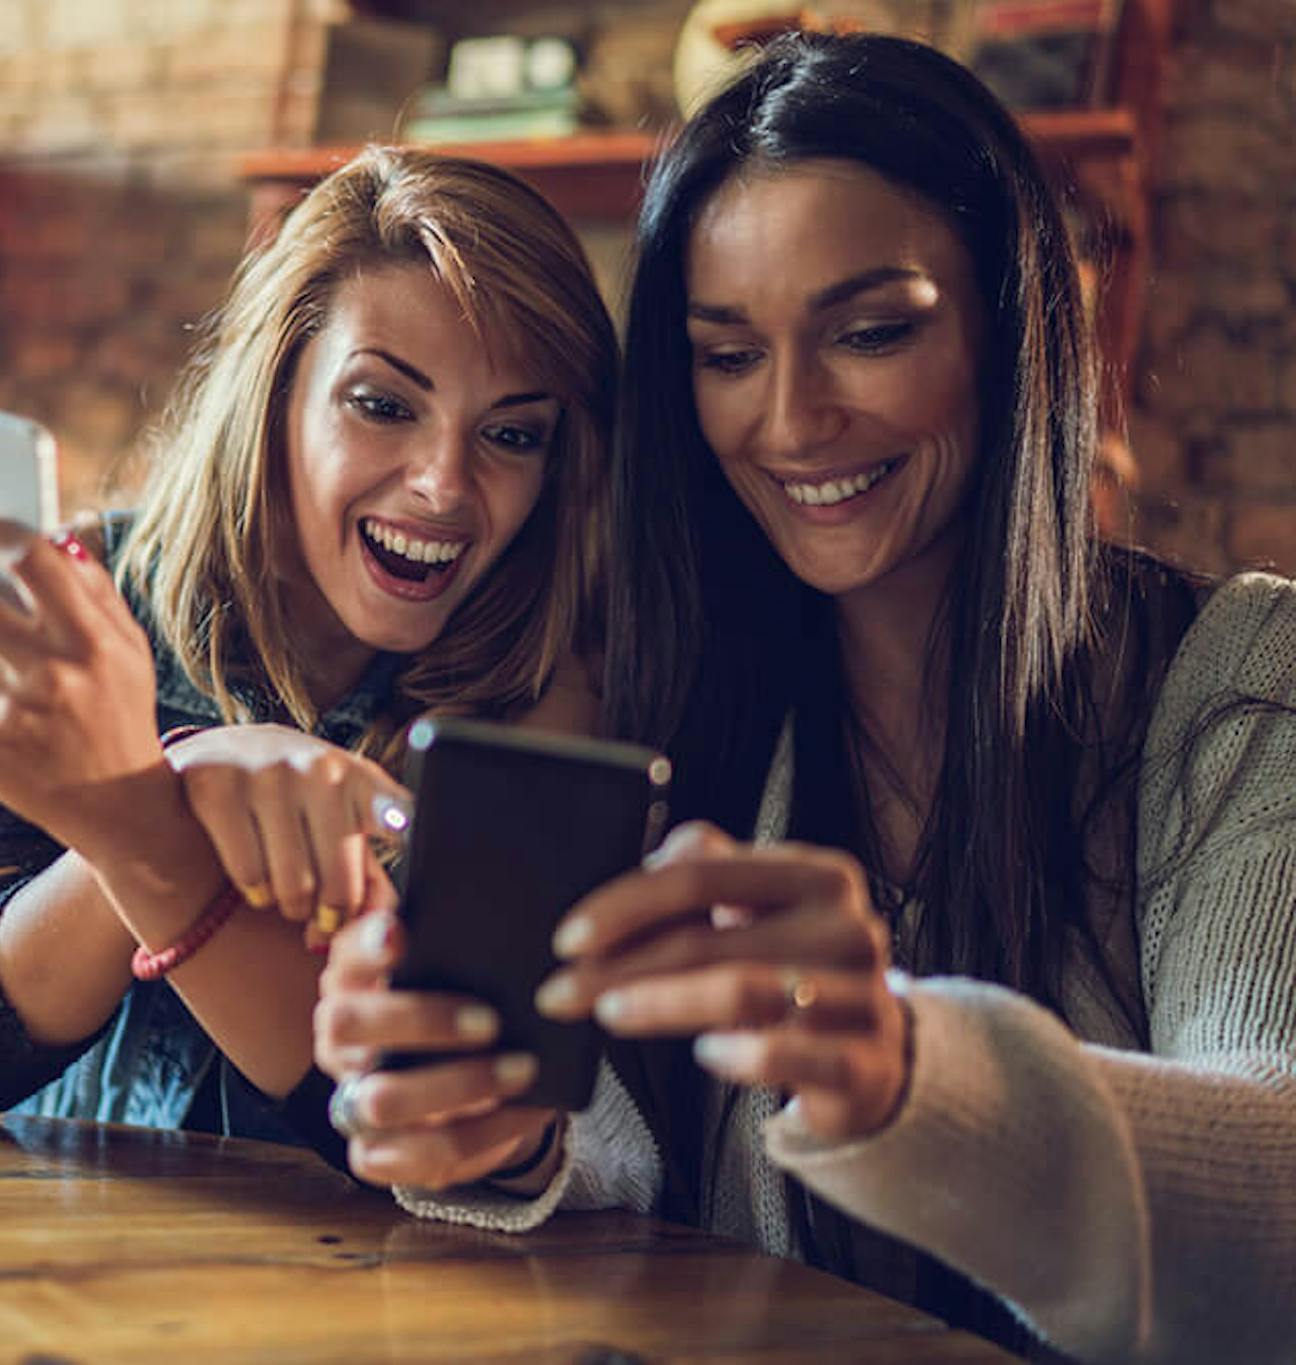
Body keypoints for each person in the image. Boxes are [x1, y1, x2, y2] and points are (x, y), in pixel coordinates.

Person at [313, 33, 1296, 1362]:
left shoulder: (1238, 676)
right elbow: (615, 1145)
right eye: (728, 357)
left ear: (1011, 328)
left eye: (871, 333)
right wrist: (498, 1127)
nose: (791, 421)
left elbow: (1273, 1212)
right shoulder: (694, 706)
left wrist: (902, 1072)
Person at [0, 145, 618, 1150]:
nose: (445, 485)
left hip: (342, 1288)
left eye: (510, 435)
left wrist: (134, 809)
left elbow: (400, 1126)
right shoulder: (102, 593)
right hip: (38, 1267)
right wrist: (182, 778)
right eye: (382, 406)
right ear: (274, 392)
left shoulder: (543, 697)